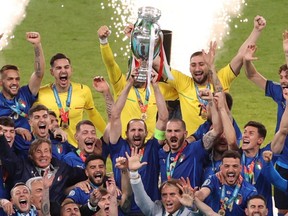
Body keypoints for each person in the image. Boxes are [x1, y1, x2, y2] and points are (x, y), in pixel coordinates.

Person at [162, 15, 266, 136]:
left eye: (201, 64)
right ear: (189, 68)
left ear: (208, 64)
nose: (197, 68)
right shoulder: (183, 82)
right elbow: (159, 65)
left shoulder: (222, 77)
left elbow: (242, 55)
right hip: (193, 145)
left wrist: (256, 30)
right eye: (193, 65)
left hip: (219, 142)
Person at [98, 25, 178, 140]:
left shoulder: (158, 88)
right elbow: (110, 64)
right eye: (135, 68)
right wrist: (103, 41)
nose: (138, 71)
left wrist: (159, 69)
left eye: (142, 68)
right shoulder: (121, 85)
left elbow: (178, 87)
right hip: (125, 145)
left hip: (149, 148)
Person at [108, 69, 168, 215]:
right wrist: (129, 83)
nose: (136, 133)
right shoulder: (118, 146)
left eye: (140, 130)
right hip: (124, 209)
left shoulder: (153, 147)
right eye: (133, 130)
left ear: (147, 133)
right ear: (126, 133)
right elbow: (115, 115)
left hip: (150, 210)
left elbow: (164, 118)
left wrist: (155, 86)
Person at [243, 30, 288, 215]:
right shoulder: (279, 92)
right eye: (282, 77)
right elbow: (252, 76)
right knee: (282, 209)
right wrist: (246, 60)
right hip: (283, 161)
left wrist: (286, 53)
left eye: (287, 77)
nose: (284, 81)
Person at [35, 53, 106, 147]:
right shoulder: (41, 94)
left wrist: (107, 134)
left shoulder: (83, 90)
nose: (63, 71)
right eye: (58, 68)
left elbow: (93, 114)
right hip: (50, 149)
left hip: (76, 148)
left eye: (66, 67)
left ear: (71, 70)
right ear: (52, 72)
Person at [159, 91, 225, 187]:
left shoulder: (195, 150)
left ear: (185, 134)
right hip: (167, 200)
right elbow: (162, 118)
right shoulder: (161, 153)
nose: (173, 134)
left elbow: (217, 130)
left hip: (189, 200)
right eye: (169, 131)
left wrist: (211, 101)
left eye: (177, 131)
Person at [0, 136, 87, 207]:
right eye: (38, 151)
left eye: (46, 151)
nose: (43, 155)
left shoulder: (62, 168)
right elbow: (8, 157)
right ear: (31, 156)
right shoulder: (21, 167)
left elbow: (86, 173)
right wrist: (1, 137)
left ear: (51, 155)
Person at [0, 32, 45, 153]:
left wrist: (37, 45)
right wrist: (15, 130)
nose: (15, 82)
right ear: (1, 82)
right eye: (10, 79)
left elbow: (39, 74)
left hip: (25, 154)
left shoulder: (25, 94)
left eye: (17, 79)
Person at [126, 147, 198, 216]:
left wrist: (192, 207)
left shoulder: (188, 212)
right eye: (164, 195)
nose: (168, 199)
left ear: (181, 195)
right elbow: (141, 199)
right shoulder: (157, 210)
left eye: (172, 194)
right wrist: (134, 173)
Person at [195, 150, 257, 216]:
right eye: (227, 166)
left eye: (235, 166)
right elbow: (202, 194)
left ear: (240, 168)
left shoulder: (249, 190)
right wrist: (194, 195)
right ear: (221, 168)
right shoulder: (214, 179)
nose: (230, 170)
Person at [239, 121, 275, 216]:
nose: (245, 136)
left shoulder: (265, 155)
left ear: (260, 140)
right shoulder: (235, 158)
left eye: (251, 133)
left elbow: (282, 132)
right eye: (245, 132)